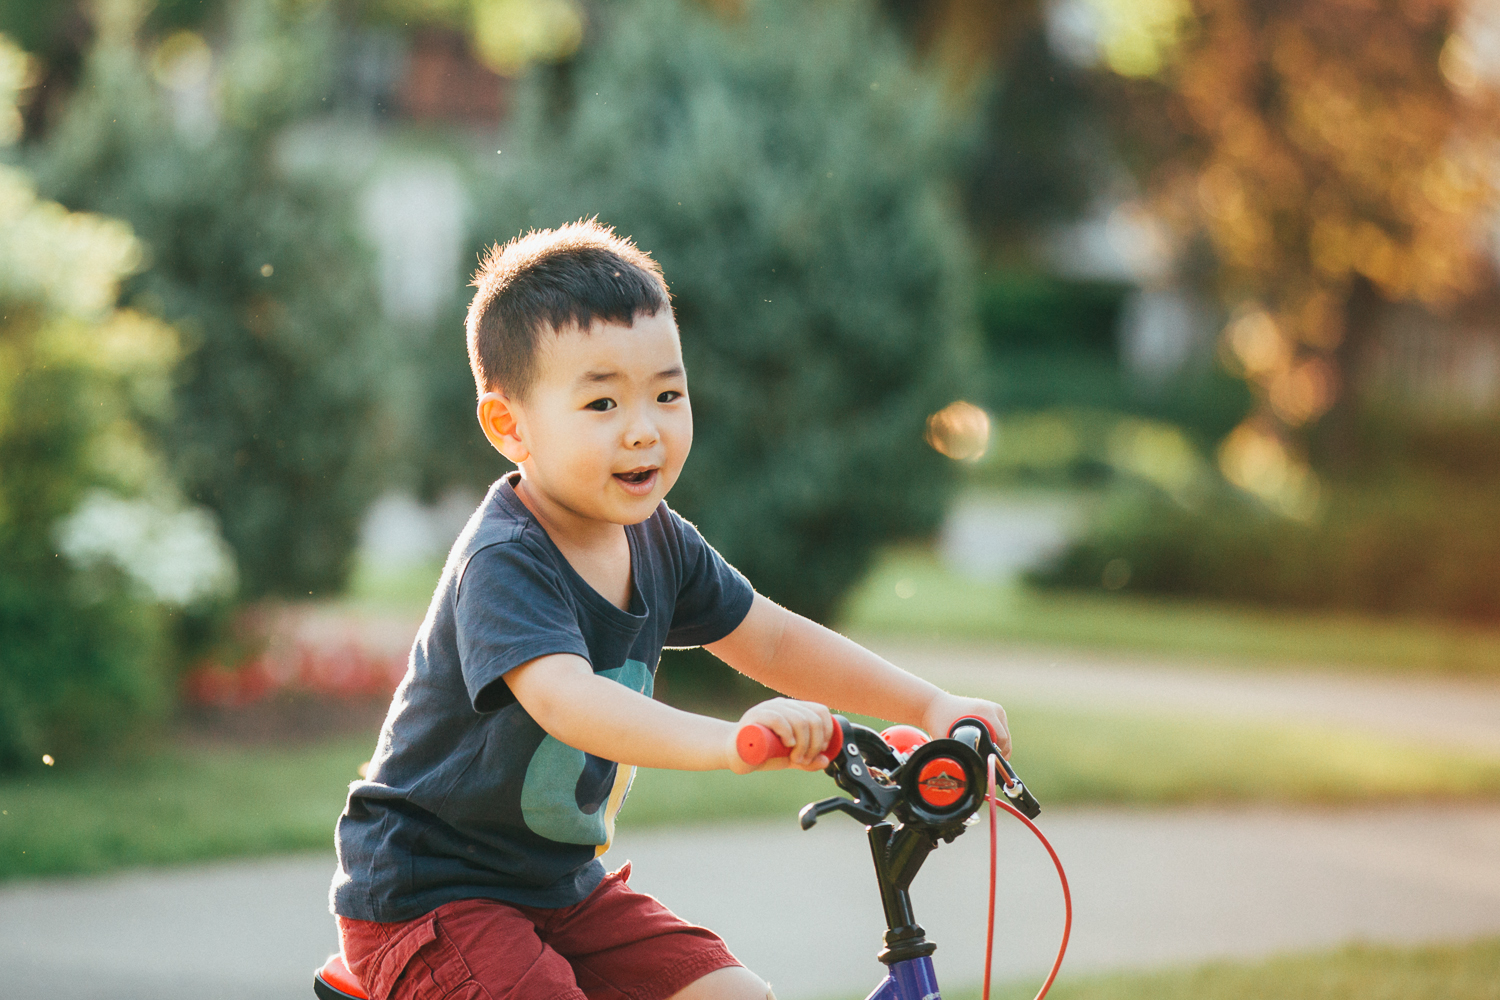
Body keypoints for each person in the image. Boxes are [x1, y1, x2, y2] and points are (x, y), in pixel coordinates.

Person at [329, 219, 1011, 1000]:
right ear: (508, 425)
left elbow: (775, 640)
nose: (644, 429)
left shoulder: (660, 543)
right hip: (431, 900)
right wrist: (733, 744)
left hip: (562, 890)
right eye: (602, 403)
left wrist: (928, 702)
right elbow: (572, 703)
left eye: (666, 393)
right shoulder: (506, 558)